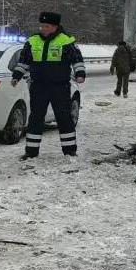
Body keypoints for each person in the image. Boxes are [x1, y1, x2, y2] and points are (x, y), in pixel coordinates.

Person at [11, 11, 86, 159]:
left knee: (64, 117)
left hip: (60, 86)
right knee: (35, 118)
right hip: (39, 86)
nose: (42, 29)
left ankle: (70, 150)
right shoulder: (33, 41)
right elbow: (24, 61)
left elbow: (77, 59)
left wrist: (80, 74)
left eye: (46, 26)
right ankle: (31, 152)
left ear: (55, 26)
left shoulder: (66, 41)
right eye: (41, 26)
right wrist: (17, 76)